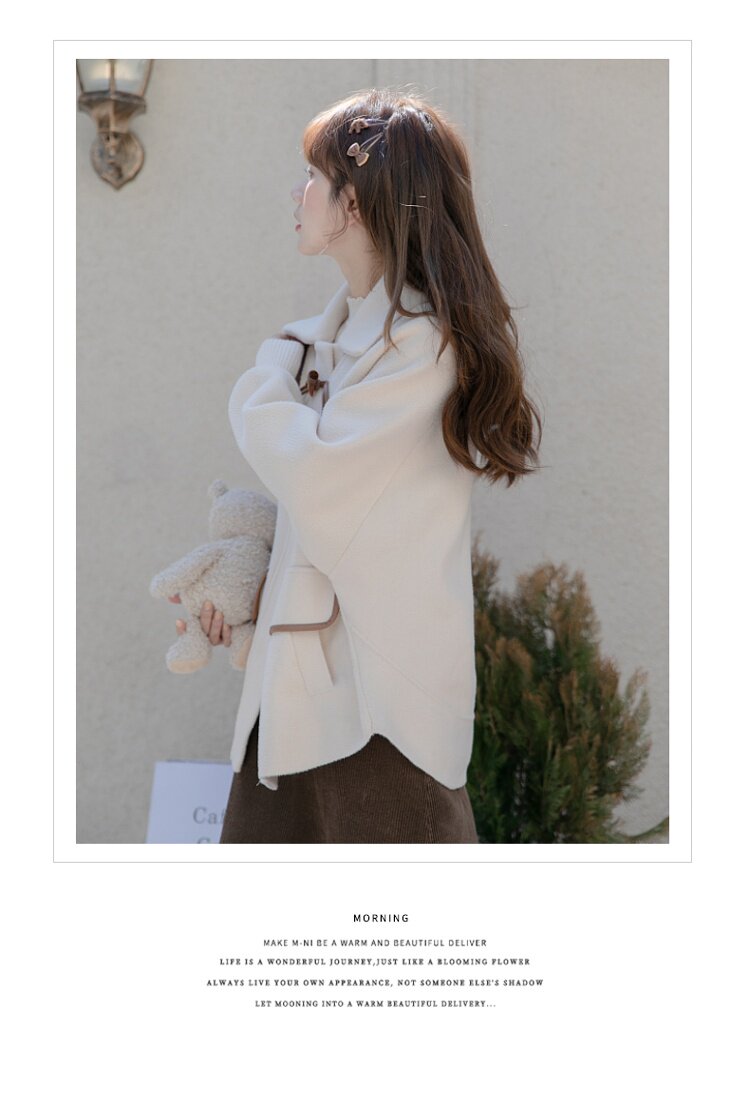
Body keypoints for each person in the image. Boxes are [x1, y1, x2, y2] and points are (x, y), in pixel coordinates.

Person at [172, 87, 543, 843]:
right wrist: (251, 586)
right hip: (291, 713)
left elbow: (317, 478)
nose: (297, 193)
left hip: (377, 718)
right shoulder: (331, 343)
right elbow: (342, 515)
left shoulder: (418, 345)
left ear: (357, 202)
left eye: (314, 176)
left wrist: (264, 375)